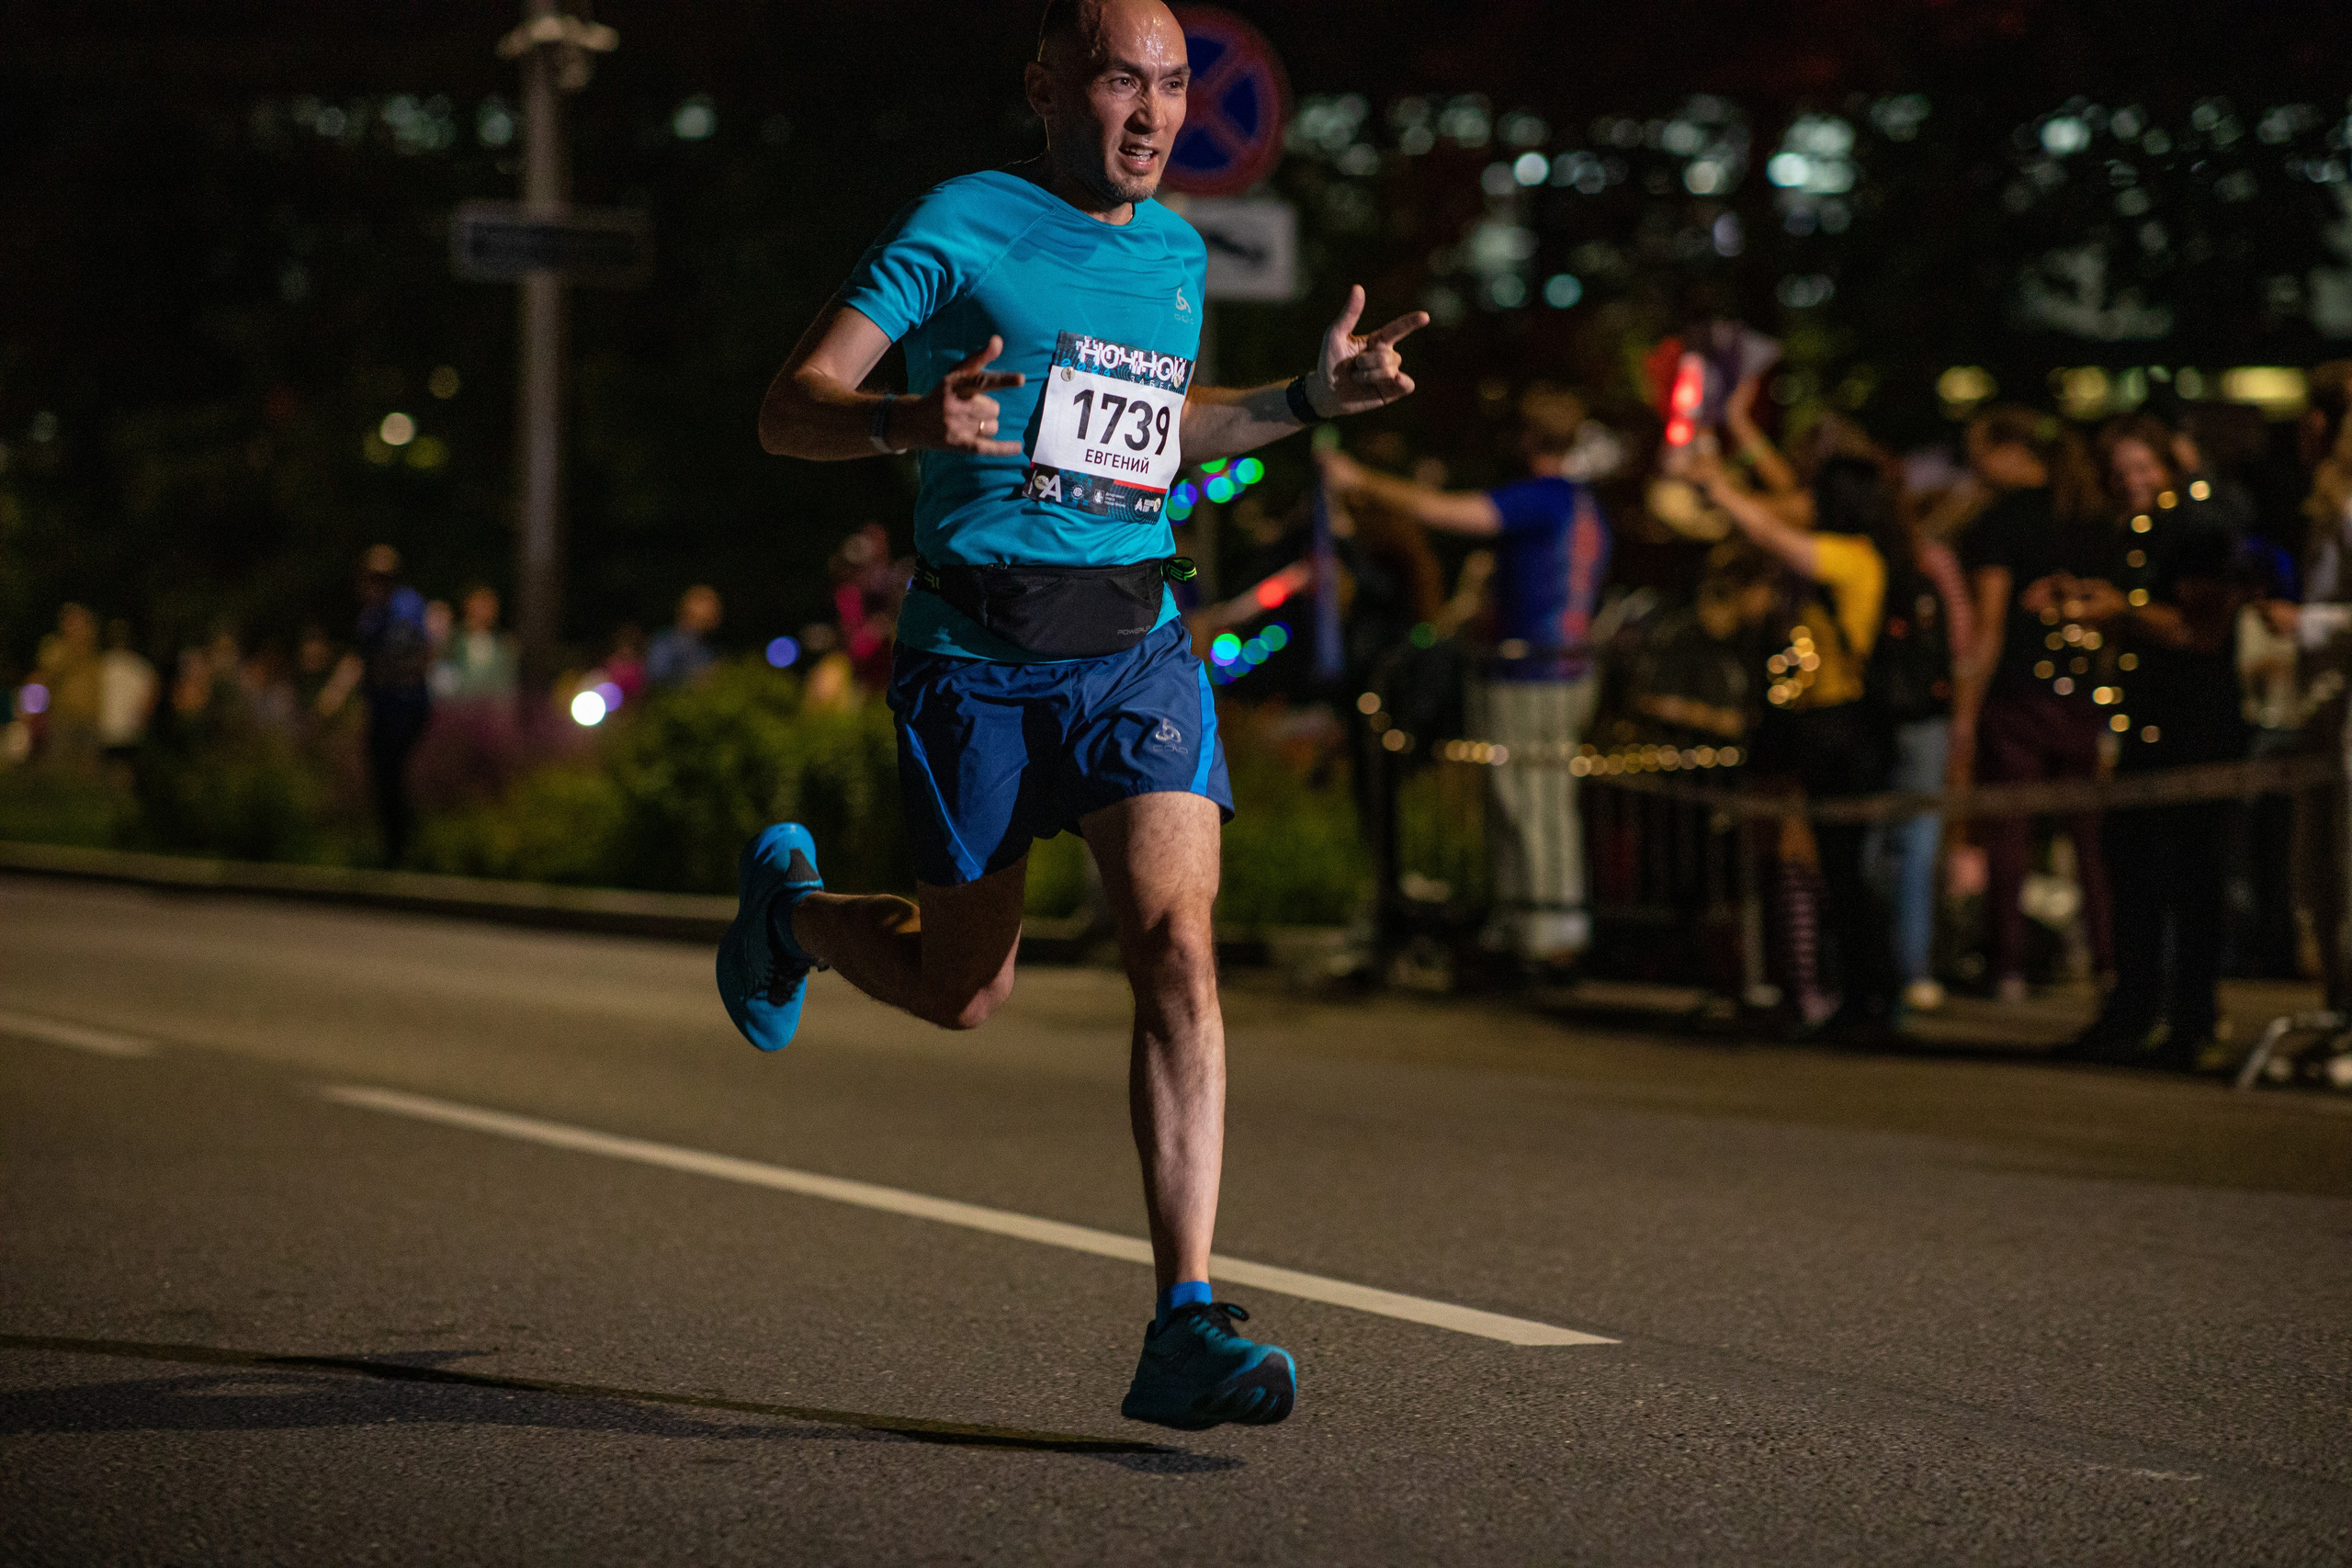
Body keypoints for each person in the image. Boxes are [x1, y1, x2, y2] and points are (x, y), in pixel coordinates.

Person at [737, 0, 1426, 1432]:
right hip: (976, 659)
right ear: (1049, 85)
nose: (1156, 113)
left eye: (1174, 85)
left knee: (1177, 944)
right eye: (1126, 78)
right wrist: (909, 424)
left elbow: (1163, 428)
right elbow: (787, 410)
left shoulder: (1172, 252)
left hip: (1135, 649)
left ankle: (1186, 1316)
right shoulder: (967, 220)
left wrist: (1309, 398)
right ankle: (791, 916)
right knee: (964, 988)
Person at [1317, 384, 1611, 969]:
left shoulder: (1540, 498)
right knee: (1544, 797)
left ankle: (1542, 931)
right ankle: (1539, 923)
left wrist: (1359, 479)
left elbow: (1448, 512)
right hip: (1569, 666)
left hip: (1531, 670)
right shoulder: (1583, 504)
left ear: (1529, 439)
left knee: (1524, 798)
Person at [2065, 419, 2254, 1066]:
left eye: (2142, 470)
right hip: (2138, 725)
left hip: (2195, 727)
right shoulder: (2127, 536)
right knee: (2133, 871)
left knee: (2194, 878)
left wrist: (2120, 611)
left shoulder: (2196, 530)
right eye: (2119, 475)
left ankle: (2192, 1019)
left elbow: (2197, 631)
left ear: (2169, 467)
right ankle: (2133, 1008)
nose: (2132, 485)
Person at [1698, 449, 1902, 1037]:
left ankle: (1871, 996)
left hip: (1843, 726)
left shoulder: (1855, 558)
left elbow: (1772, 532)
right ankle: (1853, 996)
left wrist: (1723, 490)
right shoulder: (1847, 557)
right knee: (1835, 873)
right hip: (1819, 723)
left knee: (1848, 872)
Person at [1951, 408, 2114, 1003]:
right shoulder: (2091, 516)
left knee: (2008, 834)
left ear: (2004, 450)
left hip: (2019, 694)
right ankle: (2107, 957)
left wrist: (1966, 712)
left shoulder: (2000, 523)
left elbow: (1988, 624)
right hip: (2082, 693)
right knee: (2090, 838)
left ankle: (2008, 961)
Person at [353, 545, 433, 863]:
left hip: (408, 707)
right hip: (382, 708)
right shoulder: (369, 617)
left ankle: (408, 849)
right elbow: (366, 664)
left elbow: (421, 654)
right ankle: (391, 850)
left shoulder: (409, 607)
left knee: (403, 776)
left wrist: (393, 674)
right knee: (383, 778)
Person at [432, 585, 519, 702]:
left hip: (493, 711)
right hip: (459, 708)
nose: (486, 610)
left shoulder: (505, 644)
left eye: (490, 605)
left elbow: (508, 684)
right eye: (480, 604)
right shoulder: (452, 640)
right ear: (467, 606)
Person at [96, 618, 159, 762]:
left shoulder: (101, 665)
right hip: (126, 729)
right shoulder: (140, 666)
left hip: (109, 729)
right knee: (125, 768)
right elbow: (151, 698)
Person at [646, 585, 723, 688]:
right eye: (711, 603)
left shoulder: (708, 648)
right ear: (689, 608)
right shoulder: (666, 642)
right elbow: (657, 676)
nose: (716, 610)